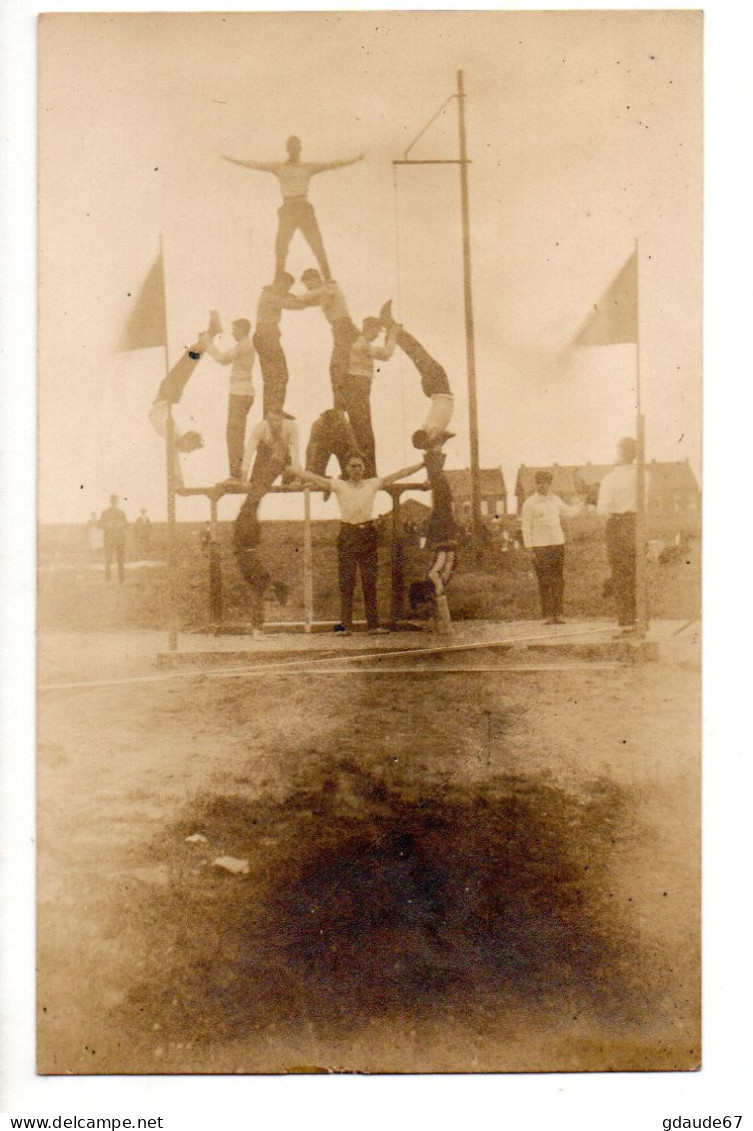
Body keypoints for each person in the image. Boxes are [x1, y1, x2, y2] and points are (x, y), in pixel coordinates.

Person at [299, 453, 424, 635]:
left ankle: (373, 625)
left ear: (364, 468)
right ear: (346, 469)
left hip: (367, 535)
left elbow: (400, 474)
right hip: (347, 534)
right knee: (347, 582)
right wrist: (291, 469)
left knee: (369, 581)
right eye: (352, 466)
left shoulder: (372, 484)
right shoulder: (339, 485)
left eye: (359, 466)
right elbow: (314, 478)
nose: (356, 470)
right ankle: (345, 626)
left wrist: (422, 464)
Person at [220, 135, 365, 280]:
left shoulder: (307, 167)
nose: (294, 150)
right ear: (287, 149)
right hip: (288, 209)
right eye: (291, 147)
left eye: (296, 147)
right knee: (280, 247)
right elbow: (255, 164)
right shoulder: (279, 167)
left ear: (300, 149)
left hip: (303, 208)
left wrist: (355, 160)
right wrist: (231, 160)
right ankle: (277, 281)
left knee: (317, 245)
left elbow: (331, 165)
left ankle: (328, 279)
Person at [379, 301, 455, 449]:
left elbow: (443, 437)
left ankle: (392, 329)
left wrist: (435, 443)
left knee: (418, 354)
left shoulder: (432, 430)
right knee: (418, 355)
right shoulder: (427, 427)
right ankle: (393, 331)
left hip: (439, 388)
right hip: (434, 391)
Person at [520, 470, 584, 625]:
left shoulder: (555, 500)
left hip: (557, 544)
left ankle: (559, 614)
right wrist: (529, 548)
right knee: (544, 580)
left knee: (558, 580)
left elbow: (570, 513)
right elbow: (525, 527)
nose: (542, 486)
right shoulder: (529, 503)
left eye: (546, 483)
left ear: (550, 484)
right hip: (539, 546)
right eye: (539, 482)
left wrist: (583, 502)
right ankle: (548, 615)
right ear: (536, 484)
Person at [597, 437, 646, 629]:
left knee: (620, 572)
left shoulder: (610, 478)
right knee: (637, 571)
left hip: (617, 524)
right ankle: (639, 617)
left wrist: (612, 524)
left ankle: (625, 619)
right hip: (637, 524)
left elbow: (601, 511)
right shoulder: (644, 475)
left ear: (620, 454)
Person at [292, 269, 359, 409]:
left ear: (316, 279)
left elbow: (315, 294)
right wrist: (291, 299)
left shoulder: (328, 288)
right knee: (339, 368)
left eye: (308, 283)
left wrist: (299, 298)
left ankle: (342, 405)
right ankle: (343, 403)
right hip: (341, 329)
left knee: (338, 368)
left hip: (344, 328)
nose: (308, 288)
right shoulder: (323, 292)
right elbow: (308, 302)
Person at [408, 449, 458, 632]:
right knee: (441, 571)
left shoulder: (440, 481)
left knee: (438, 572)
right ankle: (439, 618)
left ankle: (438, 616)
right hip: (444, 529)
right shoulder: (440, 481)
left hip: (443, 529)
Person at [342, 317, 399, 476]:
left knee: (363, 432)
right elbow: (386, 354)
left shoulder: (360, 343)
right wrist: (392, 334)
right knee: (364, 433)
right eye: (376, 332)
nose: (376, 336)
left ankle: (366, 470)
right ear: (370, 329)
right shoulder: (361, 345)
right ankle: (368, 471)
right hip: (357, 391)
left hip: (359, 390)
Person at [201, 318, 256, 482]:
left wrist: (207, 343)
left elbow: (222, 359)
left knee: (234, 435)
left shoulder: (243, 345)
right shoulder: (246, 345)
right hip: (243, 393)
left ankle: (237, 475)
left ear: (242, 329)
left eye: (235, 329)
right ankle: (239, 473)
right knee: (235, 434)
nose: (232, 332)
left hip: (239, 394)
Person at [253, 273, 299, 415]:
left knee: (274, 377)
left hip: (267, 336)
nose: (287, 289)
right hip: (267, 336)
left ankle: (273, 410)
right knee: (279, 376)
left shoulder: (271, 294)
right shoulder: (269, 296)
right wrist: (309, 299)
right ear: (279, 284)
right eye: (286, 286)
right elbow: (289, 303)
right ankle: (273, 411)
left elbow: (289, 298)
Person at [98, 495, 127, 583]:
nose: (114, 502)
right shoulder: (105, 512)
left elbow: (127, 524)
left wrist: (122, 525)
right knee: (108, 559)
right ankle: (108, 579)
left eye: (115, 501)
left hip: (119, 539)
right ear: (110, 502)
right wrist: (107, 525)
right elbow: (99, 525)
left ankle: (121, 579)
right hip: (109, 539)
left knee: (120, 559)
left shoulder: (121, 512)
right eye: (113, 501)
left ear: (117, 502)